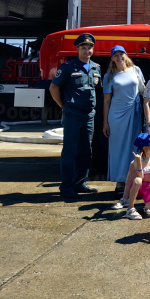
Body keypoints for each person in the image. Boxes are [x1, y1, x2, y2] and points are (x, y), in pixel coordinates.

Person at [49, 33, 102, 199]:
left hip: (88, 116)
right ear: (78, 49)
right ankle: (66, 187)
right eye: (84, 48)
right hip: (73, 115)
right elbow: (53, 88)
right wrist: (63, 106)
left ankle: (80, 183)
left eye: (89, 48)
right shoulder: (67, 67)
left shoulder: (96, 68)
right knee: (70, 151)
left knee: (86, 151)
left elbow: (97, 90)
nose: (87, 51)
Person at [103, 45, 146, 187]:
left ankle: (132, 181)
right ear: (112, 58)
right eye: (116, 55)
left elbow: (143, 91)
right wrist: (105, 123)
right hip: (116, 116)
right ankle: (119, 183)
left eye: (122, 54)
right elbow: (107, 101)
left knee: (133, 148)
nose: (119, 57)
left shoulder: (136, 70)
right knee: (117, 148)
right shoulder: (109, 76)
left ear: (126, 55)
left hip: (134, 114)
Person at [119, 133, 150, 220]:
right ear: (145, 148)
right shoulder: (135, 162)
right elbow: (130, 179)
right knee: (138, 180)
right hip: (138, 187)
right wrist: (125, 196)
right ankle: (130, 209)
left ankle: (147, 203)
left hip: (149, 188)